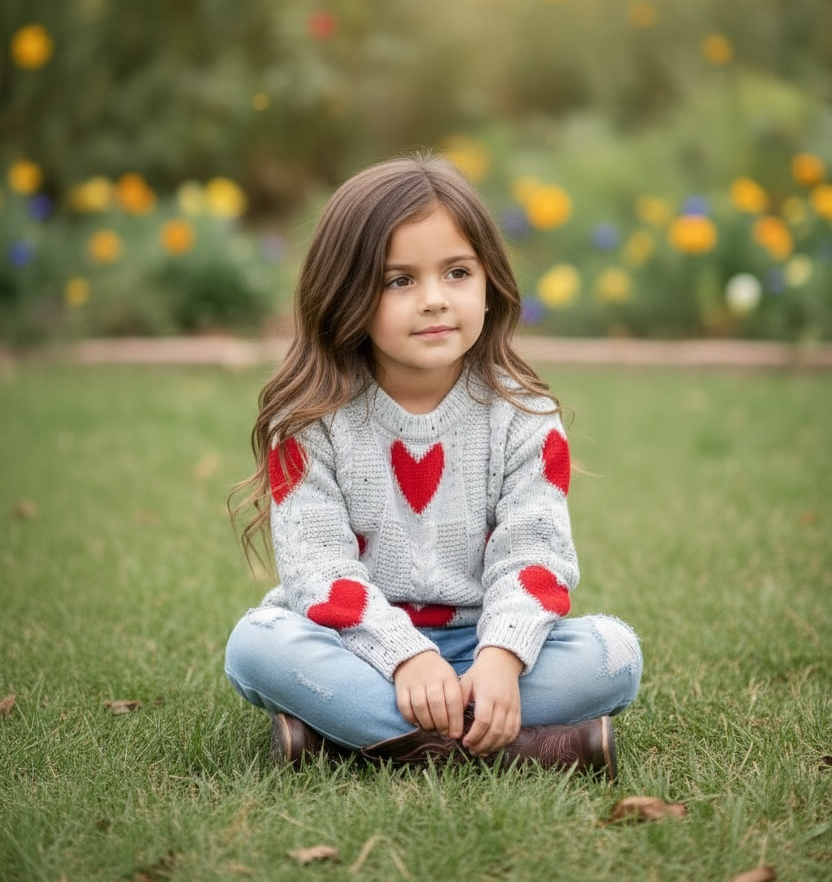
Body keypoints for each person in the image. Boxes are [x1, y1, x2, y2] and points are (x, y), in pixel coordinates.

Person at [225, 153, 642, 773]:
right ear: (345, 292)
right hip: (353, 646)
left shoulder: (524, 417)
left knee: (615, 655)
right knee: (255, 646)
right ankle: (516, 746)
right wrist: (405, 656)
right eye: (400, 281)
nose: (434, 300)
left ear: (489, 280)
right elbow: (318, 569)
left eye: (457, 272)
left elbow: (534, 555)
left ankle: (351, 737)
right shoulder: (309, 422)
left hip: (482, 646)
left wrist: (502, 658)